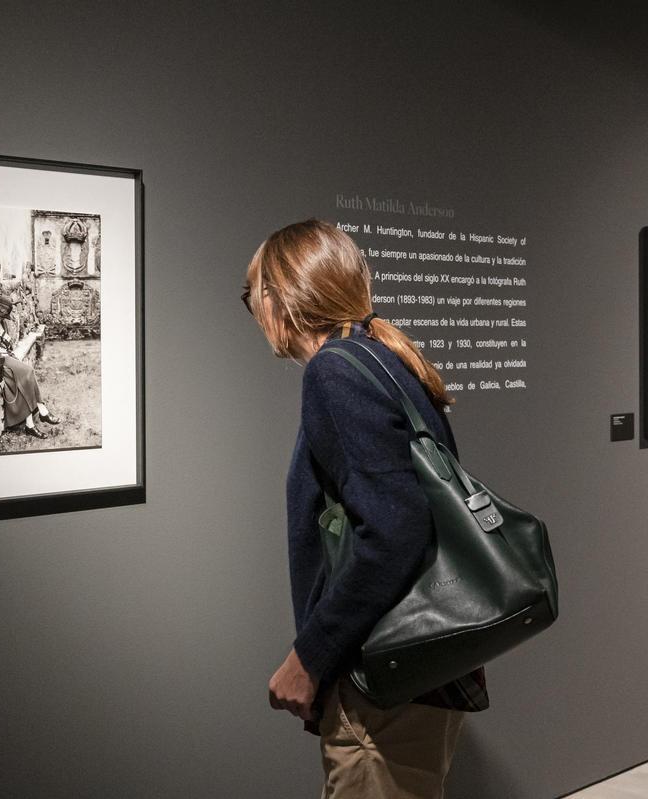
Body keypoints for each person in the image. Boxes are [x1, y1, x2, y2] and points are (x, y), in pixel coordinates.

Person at [244, 219, 487, 798]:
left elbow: (395, 529)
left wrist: (310, 656)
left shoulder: (335, 372)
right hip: (425, 669)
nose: (253, 311)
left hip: (384, 683)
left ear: (281, 297)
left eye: (251, 294)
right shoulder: (381, 357)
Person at [0, 297, 60, 439]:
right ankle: (42, 410)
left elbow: (7, 343)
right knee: (27, 372)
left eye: (4, 317)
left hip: (5, 356)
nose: (2, 319)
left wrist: (4, 341)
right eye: (1, 316)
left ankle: (31, 424)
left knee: (24, 379)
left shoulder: (1, 323)